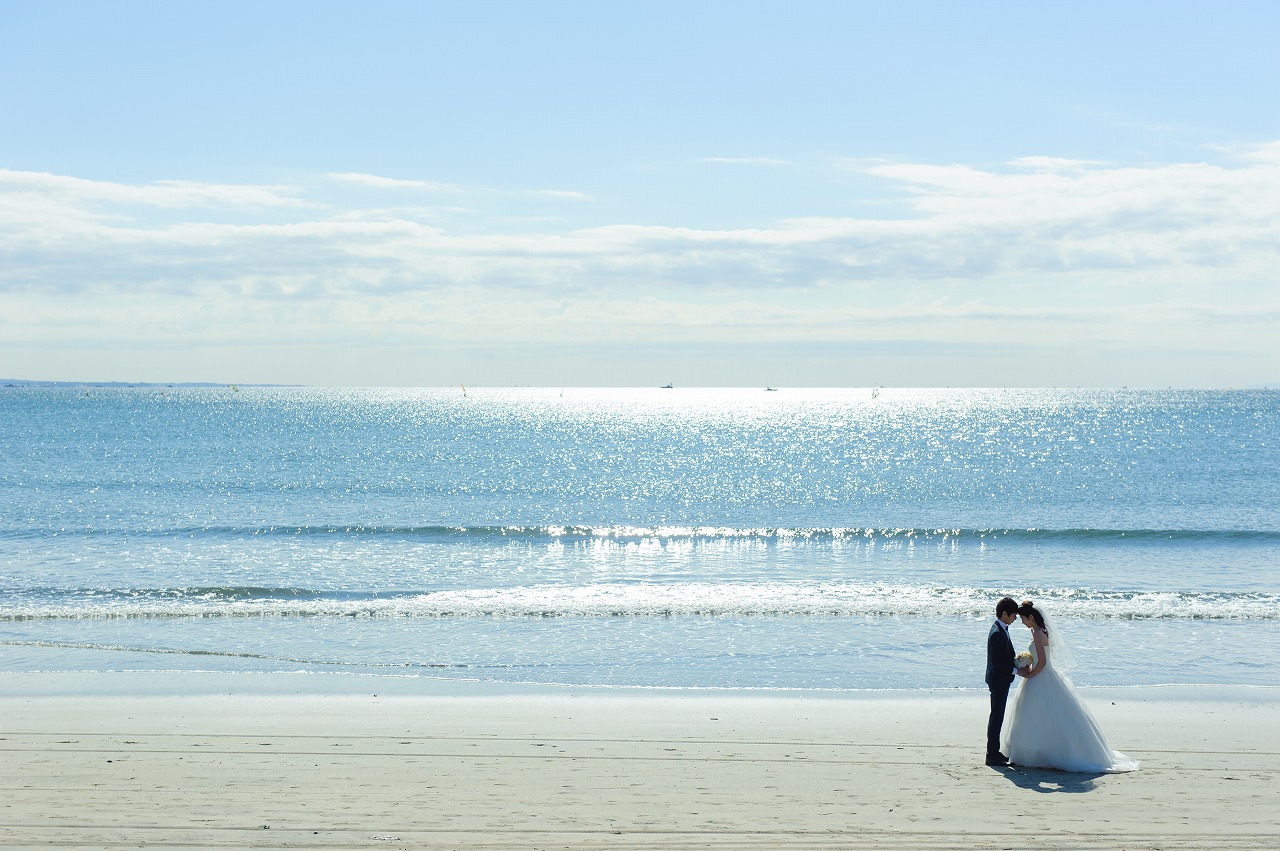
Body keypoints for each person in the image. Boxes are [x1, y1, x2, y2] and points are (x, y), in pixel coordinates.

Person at [1002, 600, 1139, 773]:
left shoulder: (1037, 633)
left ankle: (1037, 753)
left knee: (1036, 714)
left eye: (1023, 618)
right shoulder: (1040, 631)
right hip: (1044, 675)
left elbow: (1042, 662)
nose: (1022, 622)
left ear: (1031, 617)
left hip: (1040, 675)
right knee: (1046, 715)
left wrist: (1029, 674)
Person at [984, 596, 1019, 766]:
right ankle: (991, 754)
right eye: (1013, 616)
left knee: (997, 715)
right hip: (998, 680)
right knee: (996, 716)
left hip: (1000, 679)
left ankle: (994, 752)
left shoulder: (1000, 628)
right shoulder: (997, 633)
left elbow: (1005, 656)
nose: (1015, 619)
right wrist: (1016, 670)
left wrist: (1017, 662)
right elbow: (999, 663)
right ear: (1005, 614)